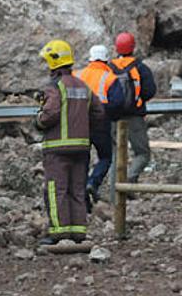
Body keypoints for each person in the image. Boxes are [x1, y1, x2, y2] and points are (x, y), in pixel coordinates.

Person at [35, 39, 104, 245]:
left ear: (53, 63)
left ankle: (59, 233)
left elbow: (50, 114)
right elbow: (99, 112)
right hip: (81, 147)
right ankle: (78, 232)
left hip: (57, 148)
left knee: (57, 190)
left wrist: (38, 119)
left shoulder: (54, 87)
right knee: (77, 189)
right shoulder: (83, 86)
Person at [104, 32, 157, 184]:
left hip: (113, 117)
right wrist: (137, 101)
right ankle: (130, 180)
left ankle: (115, 191)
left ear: (116, 48)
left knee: (115, 154)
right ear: (133, 47)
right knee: (142, 153)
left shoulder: (109, 68)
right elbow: (150, 90)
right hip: (135, 117)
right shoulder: (140, 67)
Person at [72, 44, 113, 210]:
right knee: (105, 157)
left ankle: (82, 197)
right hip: (101, 123)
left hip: (80, 123)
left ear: (90, 58)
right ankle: (93, 182)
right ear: (106, 59)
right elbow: (118, 101)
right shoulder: (109, 77)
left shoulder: (77, 74)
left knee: (83, 160)